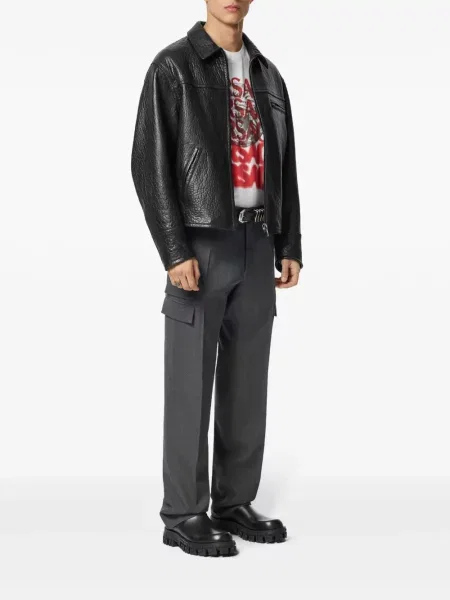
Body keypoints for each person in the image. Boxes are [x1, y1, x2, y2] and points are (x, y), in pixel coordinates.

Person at [131, 0, 302, 557]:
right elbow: (148, 164)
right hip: (201, 246)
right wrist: (174, 249)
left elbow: (286, 164)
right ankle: (183, 513)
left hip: (258, 241)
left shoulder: (268, 75)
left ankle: (233, 502)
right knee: (190, 383)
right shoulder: (173, 66)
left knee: (247, 386)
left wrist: (289, 243)